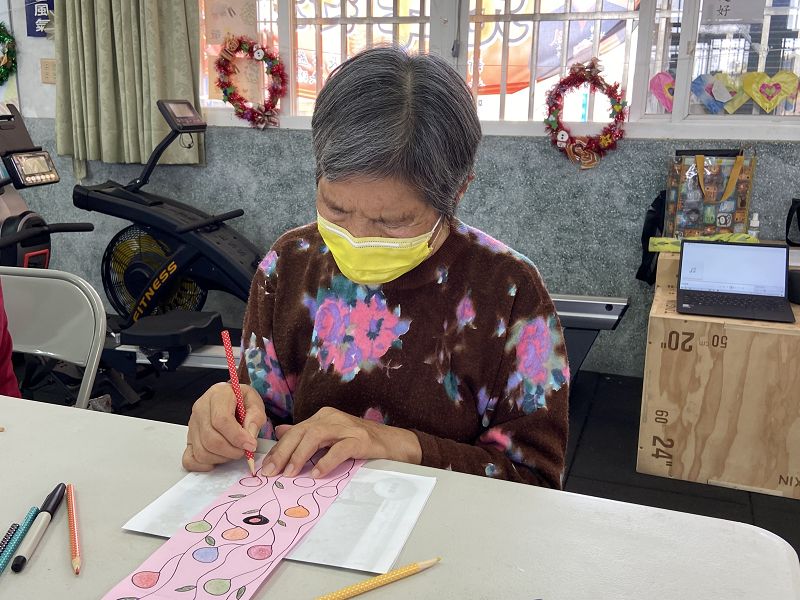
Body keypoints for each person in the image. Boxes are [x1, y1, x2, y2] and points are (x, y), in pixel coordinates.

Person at [184, 47, 570, 488]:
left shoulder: (509, 291)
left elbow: (536, 479)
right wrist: (231, 419)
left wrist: (397, 445)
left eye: (392, 222)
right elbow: (265, 415)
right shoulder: (288, 265)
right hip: (303, 514)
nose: (358, 237)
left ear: (459, 191)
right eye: (337, 209)